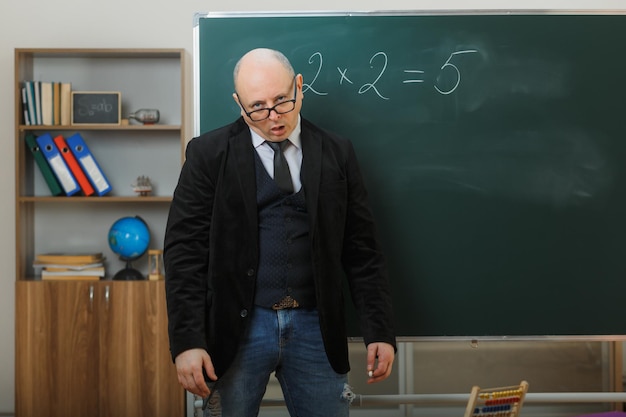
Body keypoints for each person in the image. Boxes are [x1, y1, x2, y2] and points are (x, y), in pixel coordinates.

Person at [164, 47, 396, 417]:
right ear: (239, 104)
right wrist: (187, 341)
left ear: (299, 87)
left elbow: (362, 249)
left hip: (316, 329)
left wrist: (380, 330)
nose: (273, 117)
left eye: (282, 101)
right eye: (258, 107)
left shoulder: (337, 152)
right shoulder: (207, 155)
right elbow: (184, 253)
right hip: (238, 329)